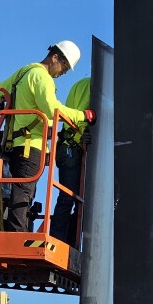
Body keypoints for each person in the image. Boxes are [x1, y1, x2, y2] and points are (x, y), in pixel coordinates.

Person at [0, 41, 95, 232]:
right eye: (64, 66)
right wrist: (82, 116)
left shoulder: (24, 72)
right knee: (24, 192)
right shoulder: (42, 77)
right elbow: (53, 109)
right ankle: (18, 236)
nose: (63, 72)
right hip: (31, 145)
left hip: (14, 143)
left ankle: (16, 231)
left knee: (22, 190)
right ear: (54, 57)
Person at [50, 76, 92, 245]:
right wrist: (83, 133)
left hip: (72, 149)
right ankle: (58, 241)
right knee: (68, 197)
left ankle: (69, 242)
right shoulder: (90, 85)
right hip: (70, 149)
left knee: (80, 200)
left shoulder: (83, 83)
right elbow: (81, 114)